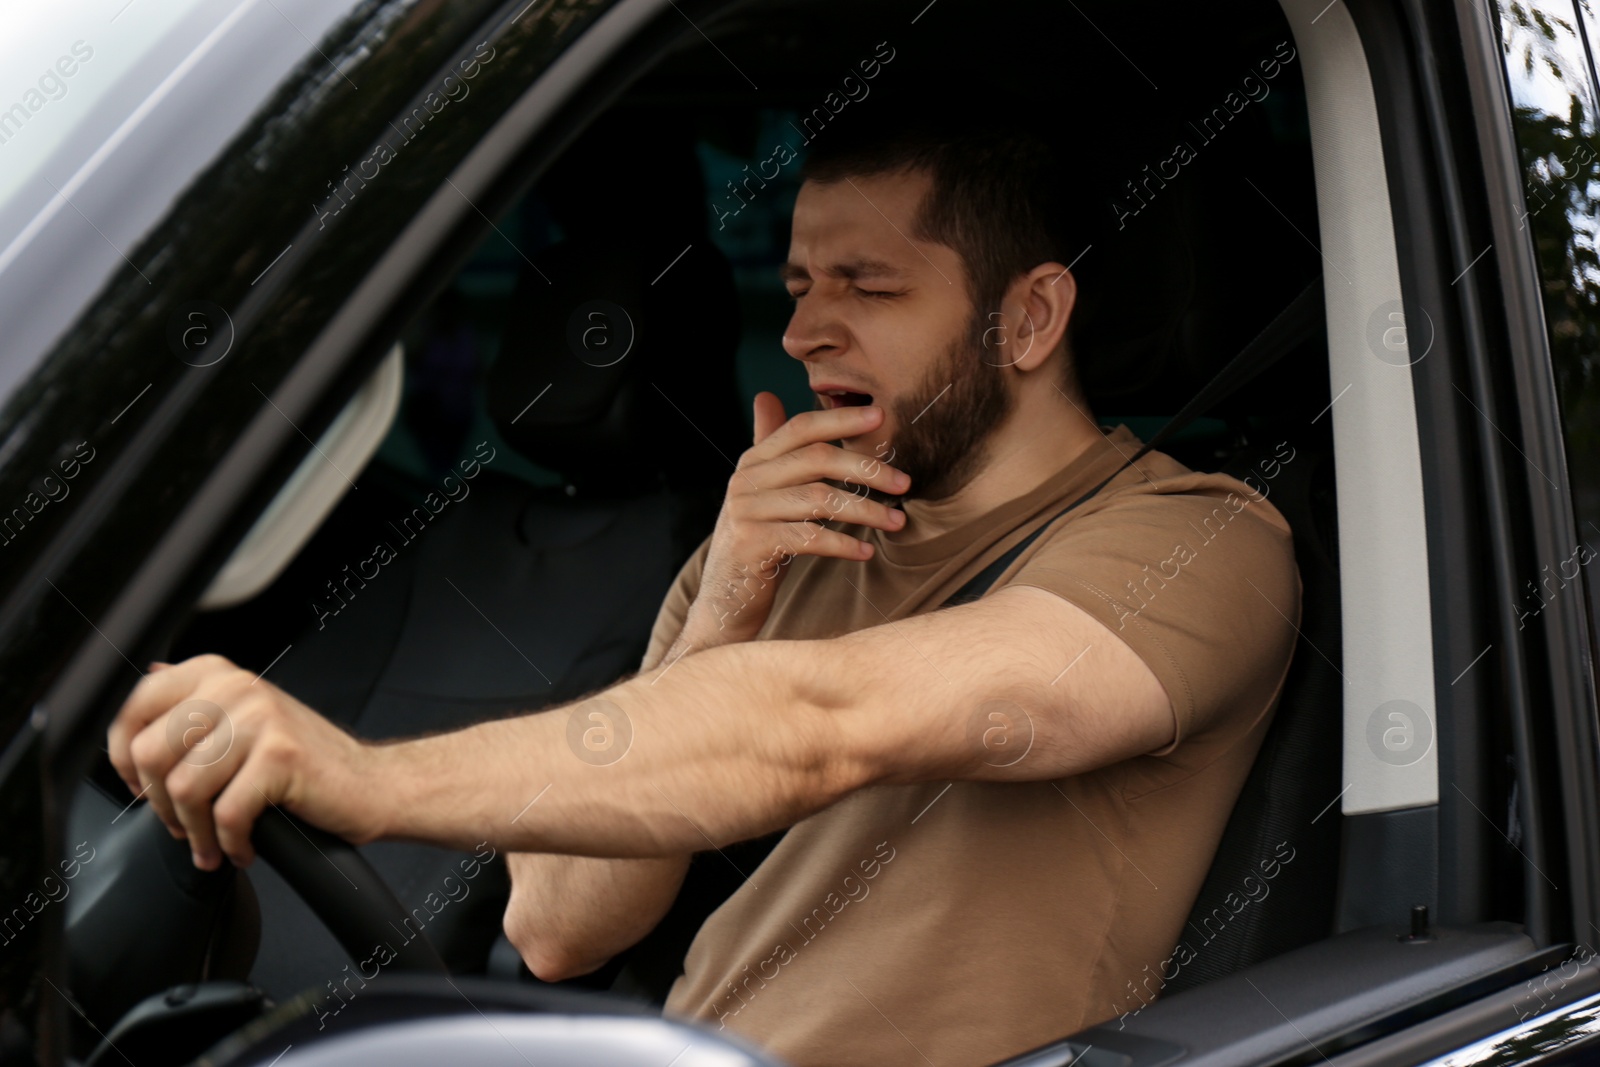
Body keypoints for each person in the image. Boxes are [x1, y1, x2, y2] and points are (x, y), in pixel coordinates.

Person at [108, 100, 1301, 1066]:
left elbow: (822, 722)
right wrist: (726, 595)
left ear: (1030, 316)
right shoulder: (771, 541)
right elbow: (556, 926)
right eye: (796, 287)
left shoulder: (1192, 543)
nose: (804, 333)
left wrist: (362, 779)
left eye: (867, 287)